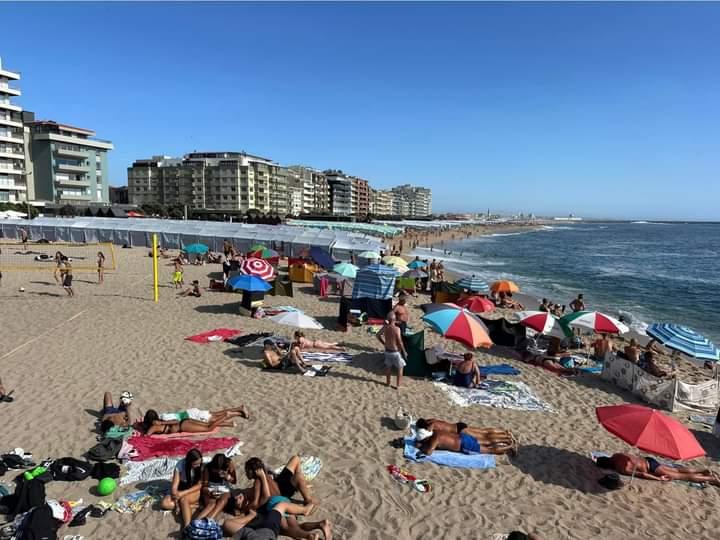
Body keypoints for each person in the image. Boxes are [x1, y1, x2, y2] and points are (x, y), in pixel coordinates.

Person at [595, 454, 720, 486]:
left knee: (680, 476)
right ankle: (704, 471)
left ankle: (711, 478)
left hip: (651, 468)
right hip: (649, 460)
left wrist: (658, 478)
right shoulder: (616, 455)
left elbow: (643, 474)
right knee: (677, 470)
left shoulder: (622, 468)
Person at [415, 418, 517, 455]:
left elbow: (429, 451)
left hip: (463, 438)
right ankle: (505, 435)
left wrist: (421, 446)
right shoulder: (434, 426)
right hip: (460, 433)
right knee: (485, 434)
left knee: (487, 443)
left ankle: (509, 444)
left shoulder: (433, 432)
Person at [159, 448, 204, 528]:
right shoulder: (180, 465)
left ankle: (186, 508)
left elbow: (199, 485)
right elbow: (174, 488)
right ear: (189, 462)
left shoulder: (203, 464)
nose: (198, 465)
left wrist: (182, 493)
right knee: (164, 503)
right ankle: (192, 506)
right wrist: (177, 504)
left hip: (194, 489)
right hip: (182, 488)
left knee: (184, 499)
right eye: (195, 464)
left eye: (199, 463)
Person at [141, 408, 245, 436]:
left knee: (208, 428)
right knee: (208, 424)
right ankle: (228, 420)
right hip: (185, 421)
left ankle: (225, 417)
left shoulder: (153, 427)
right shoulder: (162, 419)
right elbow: (176, 420)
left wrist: (143, 429)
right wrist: (162, 423)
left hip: (183, 426)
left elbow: (146, 437)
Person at [197, 454, 236, 521]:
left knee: (222, 501)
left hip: (224, 487)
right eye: (216, 469)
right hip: (211, 487)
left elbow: (234, 481)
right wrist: (210, 493)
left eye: (220, 469)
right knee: (211, 503)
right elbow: (204, 487)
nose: (218, 472)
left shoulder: (229, 463)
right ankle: (196, 521)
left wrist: (228, 477)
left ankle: (208, 520)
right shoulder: (208, 467)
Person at [376, 312, 407, 389]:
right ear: (394, 320)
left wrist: (384, 343)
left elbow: (378, 335)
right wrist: (404, 351)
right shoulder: (397, 329)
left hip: (387, 351)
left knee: (388, 367)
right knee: (400, 367)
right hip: (395, 351)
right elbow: (400, 341)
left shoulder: (385, 327)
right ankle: (398, 385)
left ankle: (388, 383)